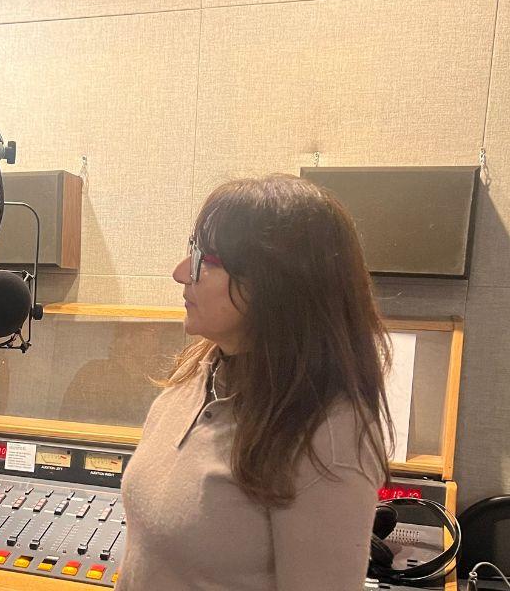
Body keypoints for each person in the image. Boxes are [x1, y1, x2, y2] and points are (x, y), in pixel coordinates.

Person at [116, 174, 393, 590]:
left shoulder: (328, 436)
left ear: (277, 283)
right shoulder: (197, 372)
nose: (180, 273)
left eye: (205, 260)